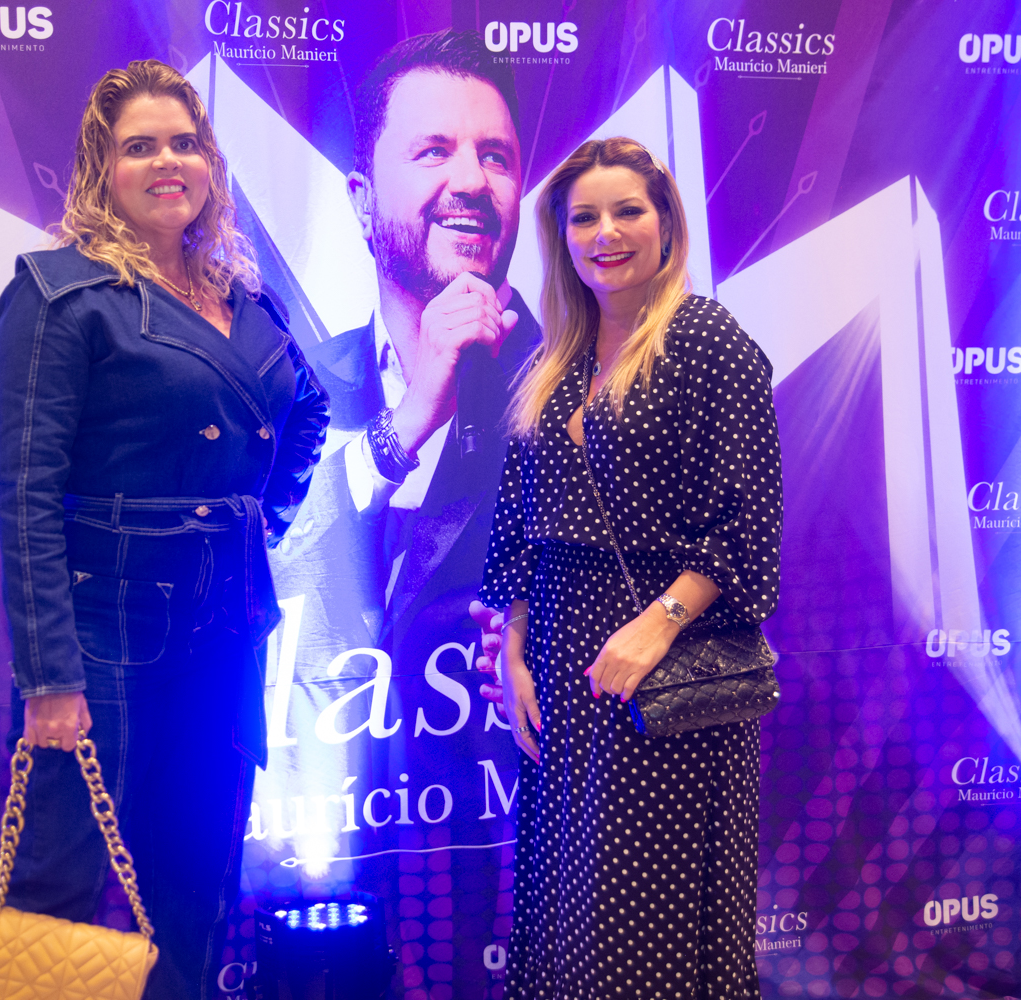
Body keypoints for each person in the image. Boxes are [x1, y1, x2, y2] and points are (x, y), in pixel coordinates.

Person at [0, 60, 329, 1000]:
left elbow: (310, 410)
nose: (168, 162)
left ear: (209, 163)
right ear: (102, 168)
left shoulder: (245, 297)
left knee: (196, 891)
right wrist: (49, 676)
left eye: (185, 143)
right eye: (140, 147)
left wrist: (256, 522)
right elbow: (24, 491)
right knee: (53, 899)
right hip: (100, 638)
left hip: (225, 636)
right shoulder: (59, 294)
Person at [477, 136, 783, 998]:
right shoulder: (557, 358)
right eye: (584, 218)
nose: (605, 233)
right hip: (564, 673)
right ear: (561, 236)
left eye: (627, 211)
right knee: (568, 908)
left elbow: (749, 520)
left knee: (645, 920)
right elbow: (523, 523)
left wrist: (657, 626)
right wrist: (514, 652)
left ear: (666, 224)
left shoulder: (706, 339)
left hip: (666, 678)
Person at [271, 28, 539, 680]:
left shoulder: (574, 383)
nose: (472, 180)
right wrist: (411, 419)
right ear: (362, 202)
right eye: (434, 151)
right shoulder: (295, 379)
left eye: (496, 156)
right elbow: (256, 558)